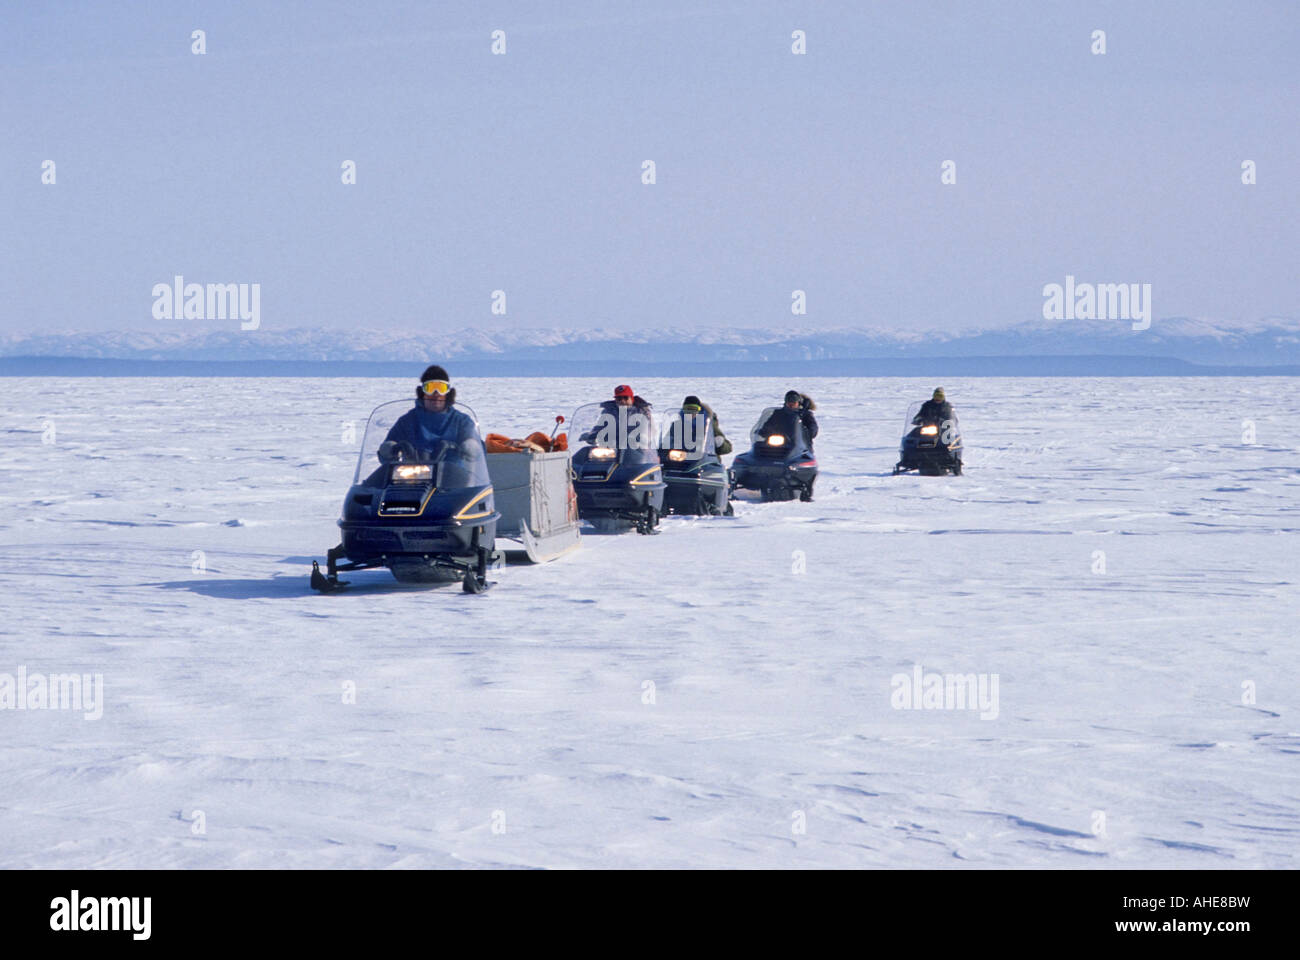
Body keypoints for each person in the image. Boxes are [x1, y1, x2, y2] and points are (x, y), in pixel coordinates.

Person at [382, 364, 484, 484]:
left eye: (441, 388)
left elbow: (478, 451)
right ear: (422, 393)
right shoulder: (407, 421)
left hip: (453, 482)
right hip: (411, 480)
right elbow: (386, 452)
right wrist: (389, 449)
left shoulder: (461, 421)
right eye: (430, 388)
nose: (436, 394)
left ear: (448, 393)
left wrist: (471, 446)